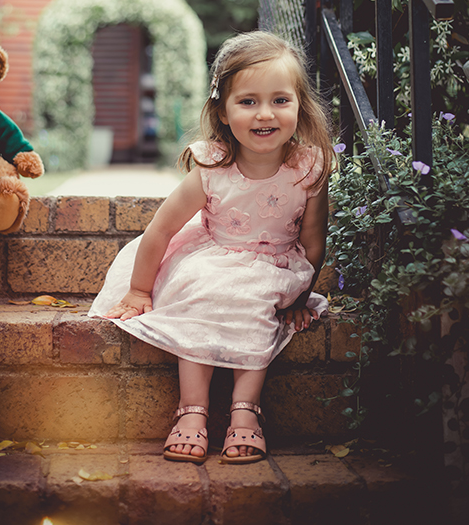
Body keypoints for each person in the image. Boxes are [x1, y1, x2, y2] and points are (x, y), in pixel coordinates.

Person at [89, 31, 334, 464]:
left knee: (252, 297)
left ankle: (246, 411)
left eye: (280, 100)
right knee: (204, 293)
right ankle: (192, 411)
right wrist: (140, 290)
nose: (265, 114)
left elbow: (314, 242)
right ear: (222, 110)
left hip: (275, 265)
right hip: (213, 255)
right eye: (248, 101)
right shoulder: (212, 166)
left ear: (300, 105)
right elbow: (160, 232)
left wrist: (299, 296)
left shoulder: (308, 167)